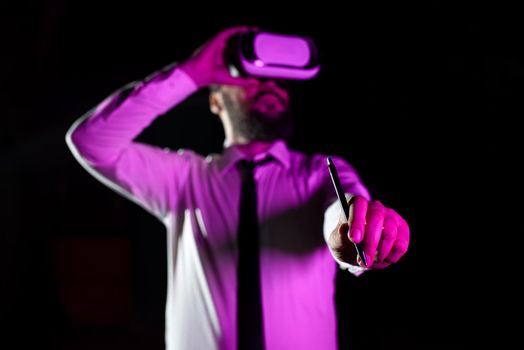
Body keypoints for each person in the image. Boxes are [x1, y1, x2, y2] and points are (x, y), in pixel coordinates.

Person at [65, 26, 410, 350]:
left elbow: (342, 209)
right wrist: (192, 73)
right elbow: (91, 142)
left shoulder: (320, 172)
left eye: (279, 79)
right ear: (214, 101)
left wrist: (352, 233)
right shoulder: (184, 179)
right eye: (249, 75)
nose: (269, 84)